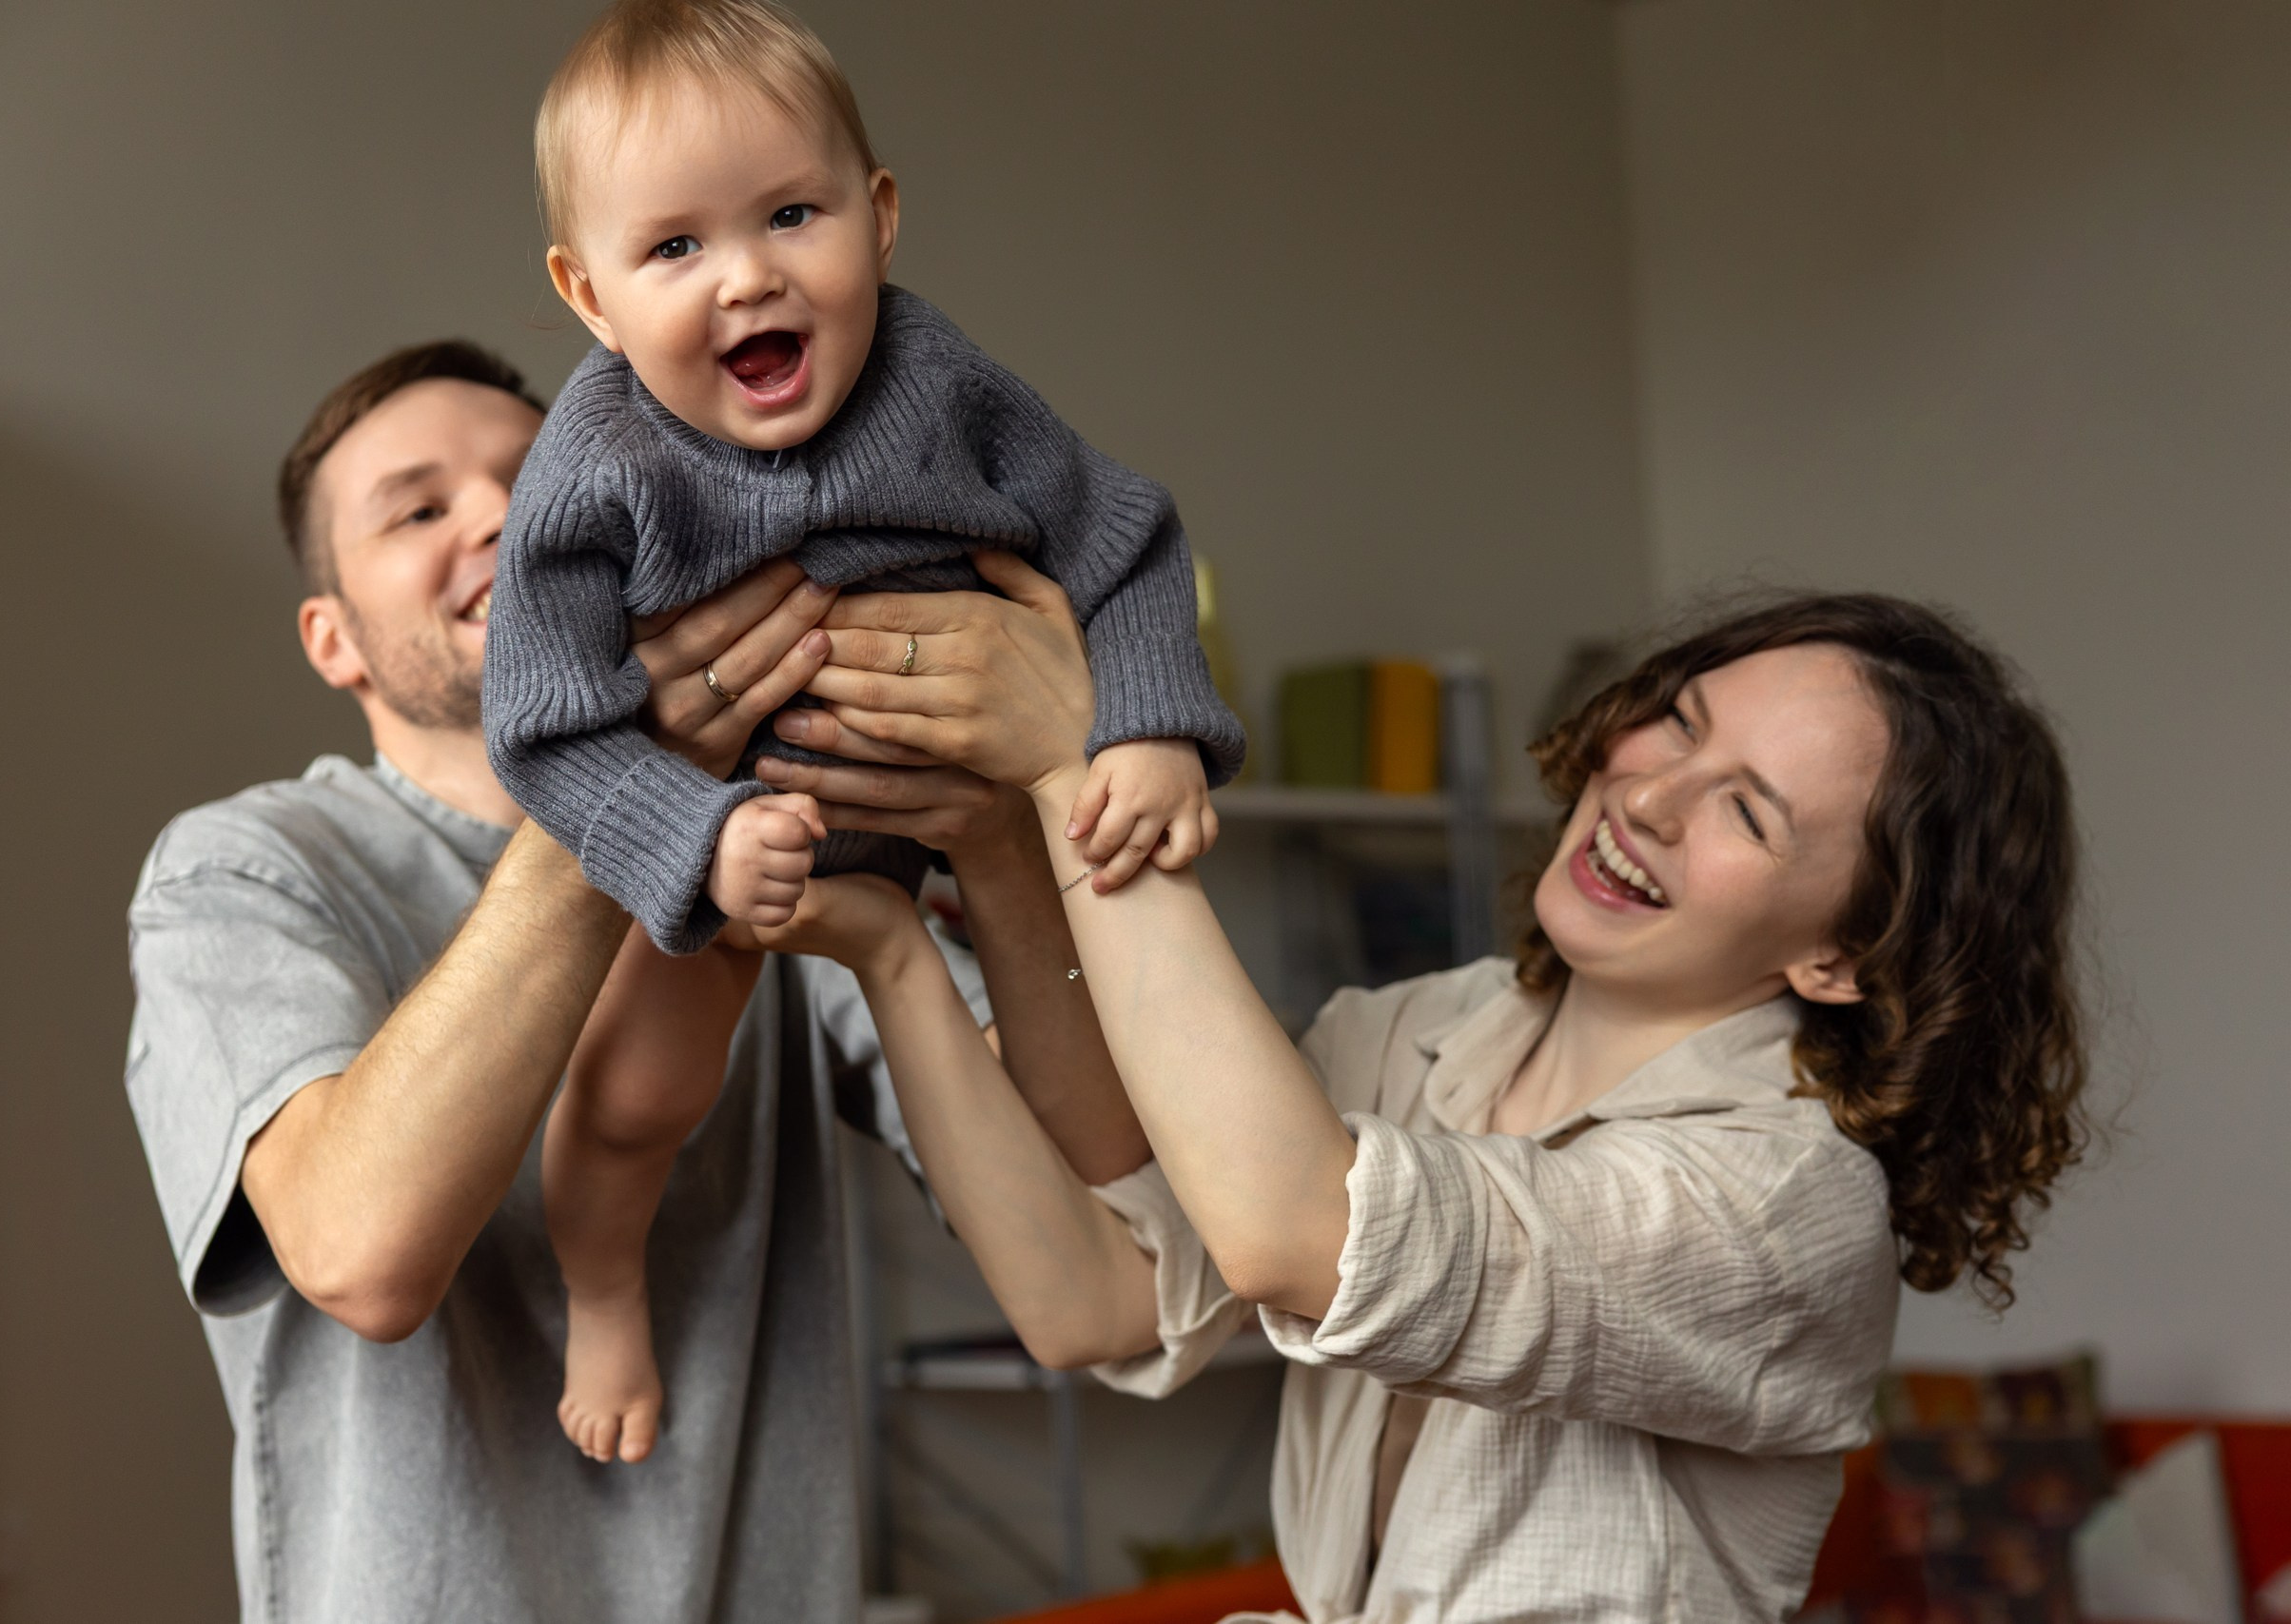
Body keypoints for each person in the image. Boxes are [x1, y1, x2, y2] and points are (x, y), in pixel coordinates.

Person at [753, 568, 2092, 1621]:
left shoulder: (1792, 1203)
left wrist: (1074, 770)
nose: (1652, 798)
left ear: (1843, 956)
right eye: (1678, 723)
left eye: (1749, 813)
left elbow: (1303, 1234)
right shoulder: (1424, 1030)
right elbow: (1096, 1295)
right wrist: (931, 918)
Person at [121, 340, 1117, 1623]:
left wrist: (1002, 839)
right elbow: (362, 1257)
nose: (497, 516)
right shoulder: (244, 872)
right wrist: (619, 793)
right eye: (417, 511)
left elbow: (1100, 1198)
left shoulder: (778, 827)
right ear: (334, 641)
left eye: (532, 478)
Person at [480, 0, 1245, 1458]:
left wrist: (1150, 727)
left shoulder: (939, 380)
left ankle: (1123, 1232)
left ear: (879, 217)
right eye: (675, 247)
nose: (748, 277)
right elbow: (547, 724)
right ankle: (604, 1283)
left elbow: (1123, 537)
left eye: (792, 214)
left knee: (1082, 1060)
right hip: (738, 830)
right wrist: (698, 839)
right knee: (638, 1094)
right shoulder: (593, 468)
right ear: (590, 297)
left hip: (973, 802)